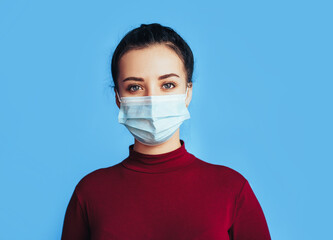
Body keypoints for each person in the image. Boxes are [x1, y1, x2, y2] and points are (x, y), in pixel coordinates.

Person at [61, 23, 271, 240]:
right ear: (118, 98)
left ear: (188, 92)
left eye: (168, 85)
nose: (152, 100)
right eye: (135, 87)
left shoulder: (232, 189)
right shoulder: (89, 194)